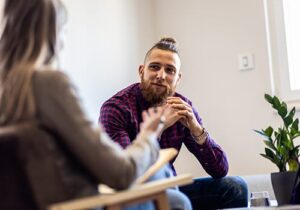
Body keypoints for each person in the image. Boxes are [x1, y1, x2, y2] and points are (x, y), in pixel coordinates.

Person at [0, 1, 192, 210]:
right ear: (53, 34)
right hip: (85, 203)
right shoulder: (48, 83)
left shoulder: (10, 90)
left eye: (170, 70)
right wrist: (150, 134)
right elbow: (120, 173)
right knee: (175, 197)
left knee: (172, 186)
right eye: (63, 31)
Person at [100, 37, 249, 210]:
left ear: (177, 79)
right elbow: (128, 175)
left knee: (235, 187)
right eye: (154, 67)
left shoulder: (182, 107)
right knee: (175, 199)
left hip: (170, 188)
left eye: (169, 70)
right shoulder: (116, 108)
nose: (161, 76)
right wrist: (159, 128)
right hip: (132, 195)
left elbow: (220, 170)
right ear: (142, 71)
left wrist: (197, 130)